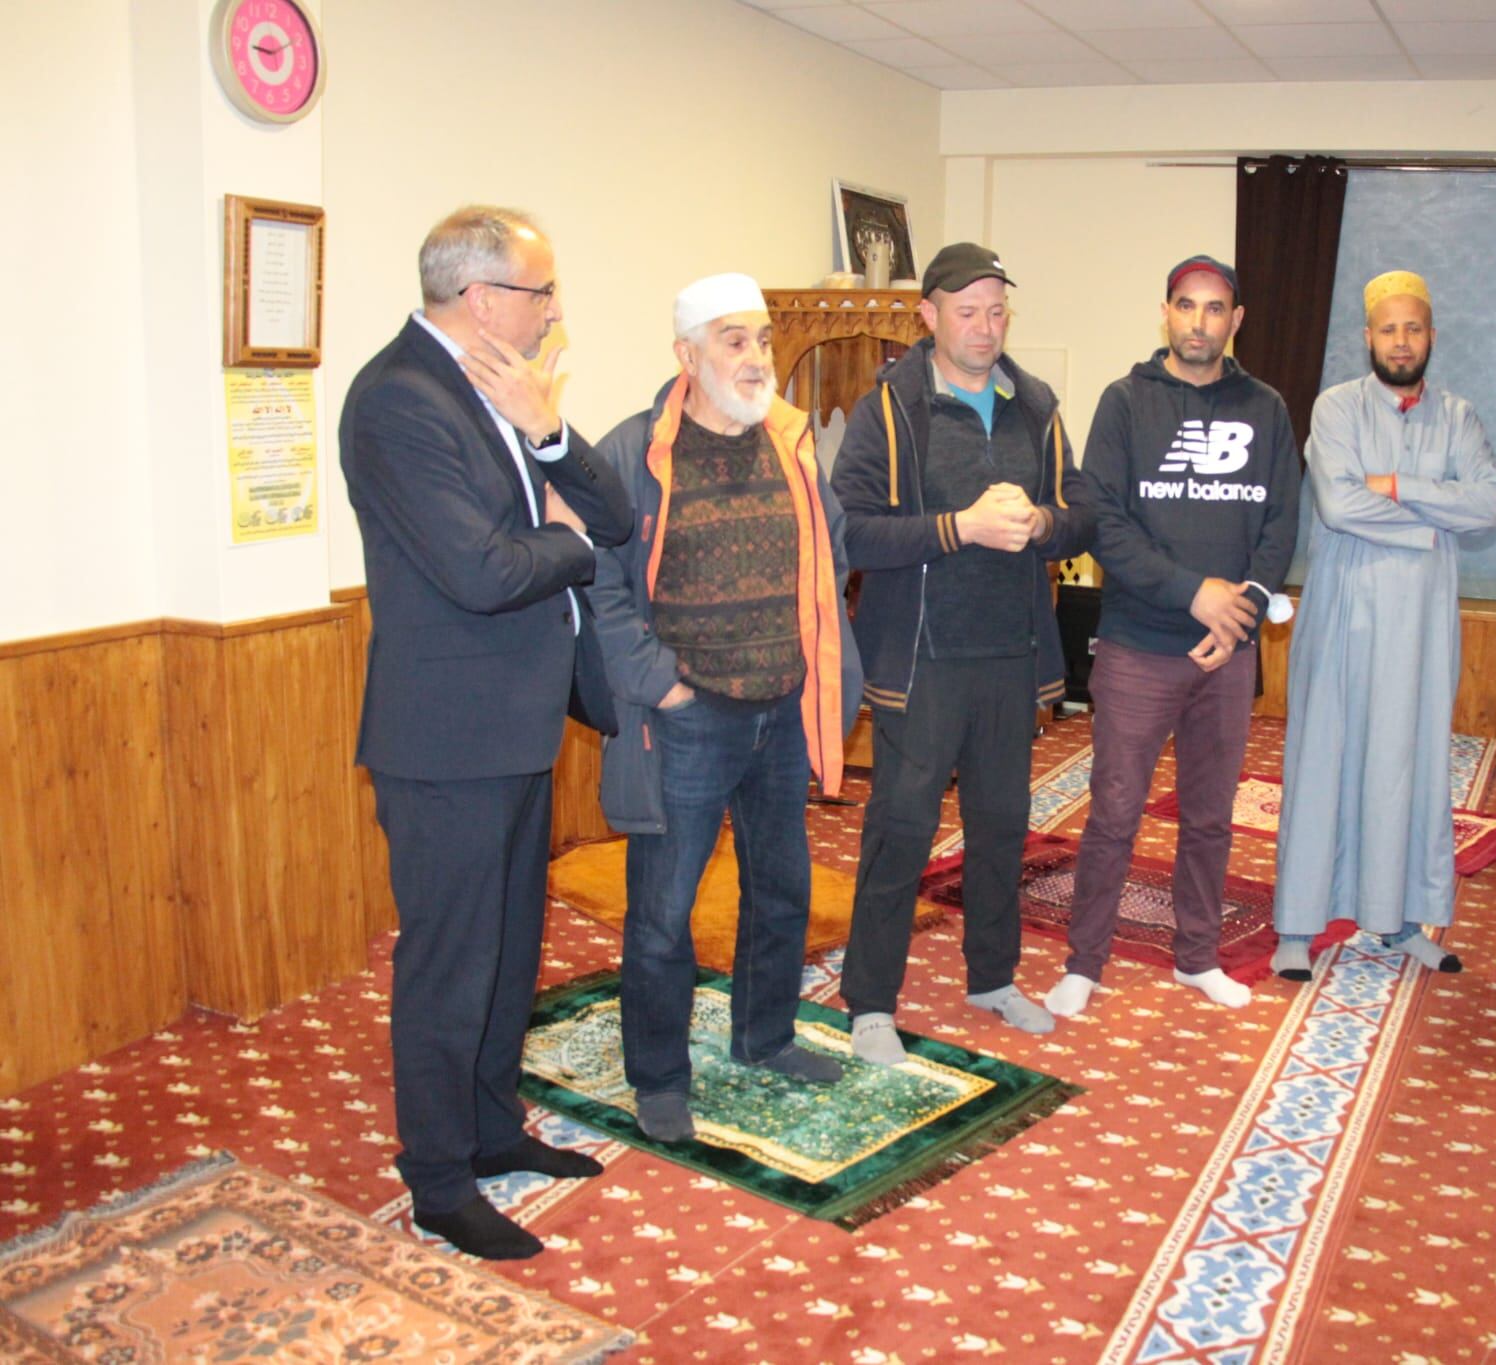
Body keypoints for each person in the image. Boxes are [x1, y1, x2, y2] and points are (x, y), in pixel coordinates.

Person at [339, 207, 632, 1260]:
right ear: (480, 297)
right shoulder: (398, 400)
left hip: (514, 726)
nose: (552, 311)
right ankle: (437, 1177)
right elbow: (480, 570)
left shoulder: (505, 390)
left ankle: (492, 1129)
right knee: (450, 963)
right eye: (539, 291)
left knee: (509, 951)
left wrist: (549, 436)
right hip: (445, 740)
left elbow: (618, 514)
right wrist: (566, 544)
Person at [586, 274, 860, 1145]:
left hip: (781, 709)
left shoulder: (790, 441)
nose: (755, 358)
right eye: (734, 340)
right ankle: (660, 1077)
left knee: (781, 889)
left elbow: (830, 550)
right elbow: (598, 581)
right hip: (689, 719)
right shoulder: (634, 452)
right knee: (663, 909)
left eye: (763, 340)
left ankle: (765, 1036)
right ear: (687, 355)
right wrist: (660, 681)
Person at [831, 242, 1095, 1064]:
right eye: (968, 312)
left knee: (1002, 826)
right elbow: (853, 530)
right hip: (922, 661)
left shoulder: (1035, 404)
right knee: (901, 829)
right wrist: (961, 528)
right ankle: (870, 1000)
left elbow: (1082, 512)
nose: (985, 327)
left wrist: (1042, 523)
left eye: (997, 311)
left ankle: (992, 976)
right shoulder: (890, 409)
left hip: (1011, 655)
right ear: (930, 315)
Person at [1043, 255, 1299, 1018]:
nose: (1199, 321)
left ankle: (1197, 956)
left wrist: (1242, 608)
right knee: (1114, 812)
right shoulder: (1126, 403)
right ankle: (1085, 962)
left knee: (1210, 816)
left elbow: (1282, 521)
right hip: (1138, 646)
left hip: (1229, 651)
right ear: (1166, 312)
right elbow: (1106, 525)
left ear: (1235, 320)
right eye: (1186, 305)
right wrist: (1196, 593)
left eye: (1215, 308)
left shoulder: (1266, 409)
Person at [1270, 269, 1496, 980]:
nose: (1400, 341)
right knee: (1324, 760)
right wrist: (1432, 519)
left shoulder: (1458, 417)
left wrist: (1398, 486)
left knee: (1410, 764)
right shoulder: (1337, 407)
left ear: (1431, 336)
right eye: (1388, 329)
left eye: (1413, 329)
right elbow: (1339, 506)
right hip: (1345, 612)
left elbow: (1488, 506)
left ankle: (1399, 919)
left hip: (1423, 625)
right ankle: (1297, 924)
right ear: (1368, 336)